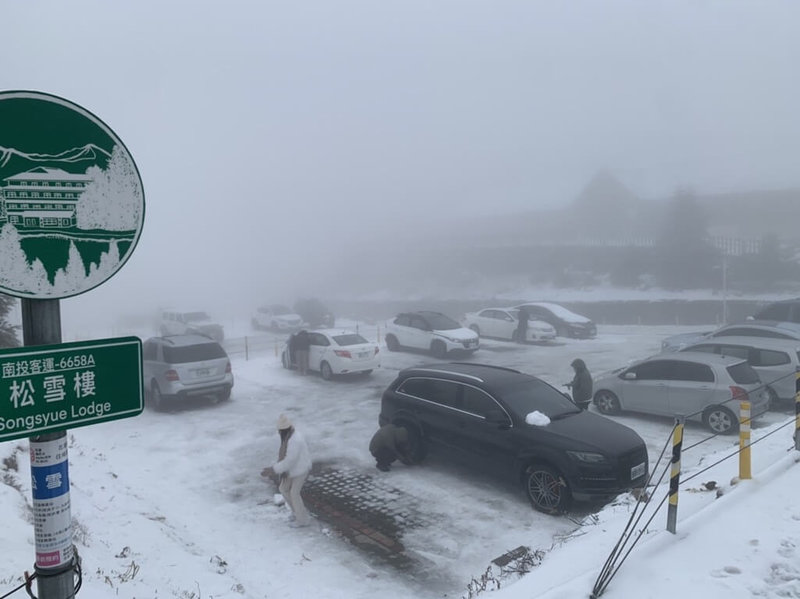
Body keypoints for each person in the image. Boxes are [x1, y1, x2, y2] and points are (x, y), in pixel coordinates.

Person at [264, 414, 312, 527]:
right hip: (291, 470)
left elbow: (289, 461)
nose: (279, 433)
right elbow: (285, 458)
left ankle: (303, 520)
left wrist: (273, 469)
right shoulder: (288, 437)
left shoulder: (295, 440)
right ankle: (296, 512)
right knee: (283, 488)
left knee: (294, 493)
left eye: (280, 431)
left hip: (300, 470)